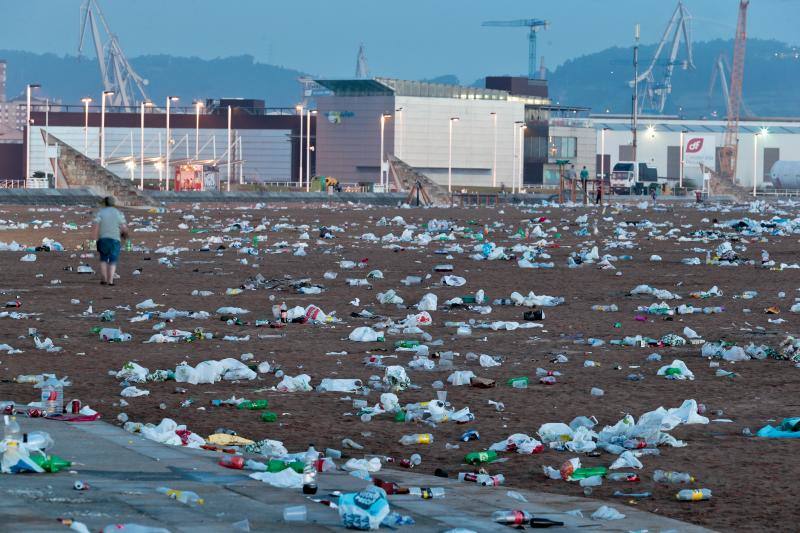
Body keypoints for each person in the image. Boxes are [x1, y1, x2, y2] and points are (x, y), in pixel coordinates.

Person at [93, 196, 129, 286]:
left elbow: (96, 225)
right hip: (115, 239)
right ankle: (111, 280)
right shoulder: (118, 213)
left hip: (103, 239)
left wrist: (94, 237)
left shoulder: (101, 212)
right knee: (113, 260)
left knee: (103, 259)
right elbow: (123, 227)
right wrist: (125, 234)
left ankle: (104, 279)